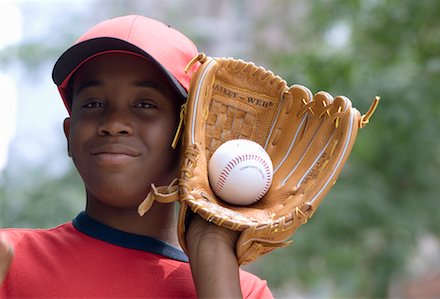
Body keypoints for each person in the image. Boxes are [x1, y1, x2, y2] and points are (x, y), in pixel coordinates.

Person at [0, 15, 273, 298]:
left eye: (145, 104)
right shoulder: (10, 261)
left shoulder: (244, 291)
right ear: (70, 135)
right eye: (94, 103)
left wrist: (213, 255)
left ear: (190, 135)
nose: (114, 122)